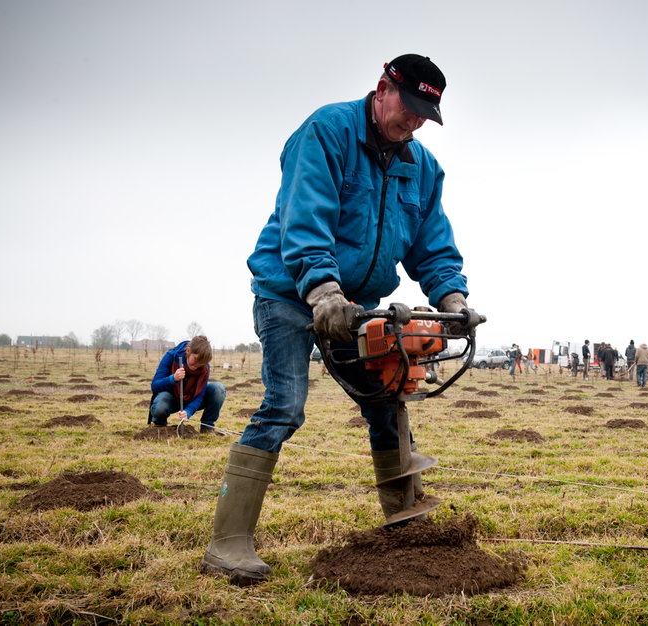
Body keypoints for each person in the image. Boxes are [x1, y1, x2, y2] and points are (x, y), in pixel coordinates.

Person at [200, 55, 474, 586]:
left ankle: (404, 529)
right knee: (284, 405)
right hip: (292, 293)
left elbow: (432, 243)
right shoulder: (327, 131)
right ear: (381, 90)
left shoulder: (423, 166)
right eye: (409, 108)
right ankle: (227, 542)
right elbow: (306, 215)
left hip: (359, 305)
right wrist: (323, 290)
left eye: (425, 115)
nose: (413, 122)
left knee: (387, 399)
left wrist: (454, 298)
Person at [148, 335, 225, 434]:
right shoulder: (171, 356)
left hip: (191, 398)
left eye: (201, 363)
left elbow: (200, 396)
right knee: (160, 406)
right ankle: (160, 425)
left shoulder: (205, 367)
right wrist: (173, 378)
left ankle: (207, 427)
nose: (197, 365)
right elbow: (155, 386)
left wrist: (188, 411)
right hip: (171, 399)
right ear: (188, 351)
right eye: (195, 359)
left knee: (218, 388)